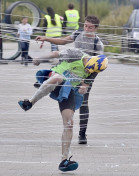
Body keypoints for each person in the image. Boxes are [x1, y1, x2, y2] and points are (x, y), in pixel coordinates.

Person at [18, 49, 108, 172]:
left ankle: (64, 161)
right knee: (58, 78)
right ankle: (29, 102)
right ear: (90, 61)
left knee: (69, 124)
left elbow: (86, 84)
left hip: (68, 89)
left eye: (91, 71)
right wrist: (39, 58)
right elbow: (55, 53)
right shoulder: (76, 54)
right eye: (88, 69)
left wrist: (83, 89)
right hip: (54, 77)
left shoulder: (95, 70)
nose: (88, 72)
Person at [36, 15, 104, 145]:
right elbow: (63, 41)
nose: (87, 29)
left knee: (83, 103)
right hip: (69, 69)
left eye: (90, 27)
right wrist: (46, 38)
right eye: (85, 25)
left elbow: (98, 67)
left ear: (96, 28)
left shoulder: (98, 44)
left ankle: (82, 133)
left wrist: (86, 84)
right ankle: (44, 84)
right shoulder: (78, 33)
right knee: (57, 76)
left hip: (84, 76)